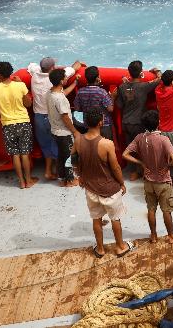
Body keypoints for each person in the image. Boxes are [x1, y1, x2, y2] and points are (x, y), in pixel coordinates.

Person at [74, 107, 133, 258]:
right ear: (101, 122)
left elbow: (74, 160)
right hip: (109, 189)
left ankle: (100, 249)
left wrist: (80, 176)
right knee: (115, 218)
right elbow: (115, 167)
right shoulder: (107, 144)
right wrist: (121, 183)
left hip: (90, 188)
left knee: (96, 218)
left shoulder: (78, 140)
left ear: (85, 122)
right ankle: (120, 246)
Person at [122, 110, 173, 244]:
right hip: (163, 182)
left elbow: (125, 154)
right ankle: (171, 236)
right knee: (166, 210)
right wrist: (167, 167)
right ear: (158, 123)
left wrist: (141, 163)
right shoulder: (163, 139)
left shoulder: (139, 137)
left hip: (148, 181)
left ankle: (153, 236)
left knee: (151, 209)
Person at [28, 57, 83, 180]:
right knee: (59, 146)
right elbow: (76, 66)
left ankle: (48, 171)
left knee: (46, 145)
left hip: (38, 117)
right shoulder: (55, 80)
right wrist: (79, 64)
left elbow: (32, 64)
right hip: (51, 119)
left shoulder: (34, 75)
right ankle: (64, 175)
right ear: (53, 68)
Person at [0, 61, 35, 189]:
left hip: (8, 124)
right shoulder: (20, 85)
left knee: (15, 154)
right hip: (23, 122)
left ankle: (21, 182)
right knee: (24, 153)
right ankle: (29, 180)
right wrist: (20, 83)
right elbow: (28, 104)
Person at [116, 60, 160, 181]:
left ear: (129, 73)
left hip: (126, 123)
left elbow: (119, 105)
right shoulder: (144, 86)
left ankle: (134, 172)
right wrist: (157, 71)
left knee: (130, 149)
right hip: (138, 124)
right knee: (143, 149)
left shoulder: (122, 87)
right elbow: (160, 79)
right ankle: (144, 171)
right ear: (141, 73)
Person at [47, 68, 80, 187]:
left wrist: (75, 83)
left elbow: (63, 92)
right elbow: (65, 117)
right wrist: (75, 131)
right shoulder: (59, 99)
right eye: (65, 77)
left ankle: (61, 178)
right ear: (61, 81)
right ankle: (71, 180)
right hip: (64, 133)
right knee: (68, 156)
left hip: (55, 131)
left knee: (61, 155)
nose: (67, 78)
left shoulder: (50, 93)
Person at [73, 66, 114, 140]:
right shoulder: (102, 92)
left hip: (88, 125)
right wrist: (113, 97)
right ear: (97, 78)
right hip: (103, 125)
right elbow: (110, 109)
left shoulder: (80, 92)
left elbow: (77, 108)